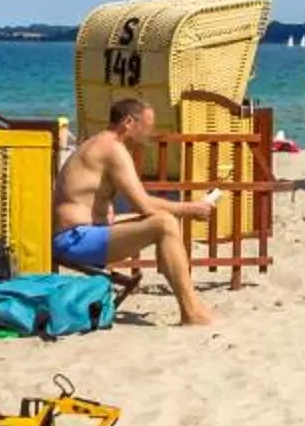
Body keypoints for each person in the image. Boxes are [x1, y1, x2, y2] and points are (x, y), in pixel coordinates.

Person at [54, 97, 222, 327]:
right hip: (74, 239)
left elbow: (140, 205)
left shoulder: (101, 144)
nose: (150, 133)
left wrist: (184, 210)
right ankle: (191, 310)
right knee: (163, 223)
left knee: (167, 223)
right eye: (147, 125)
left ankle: (188, 303)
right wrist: (191, 209)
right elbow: (143, 205)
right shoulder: (112, 149)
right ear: (128, 122)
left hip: (85, 233)